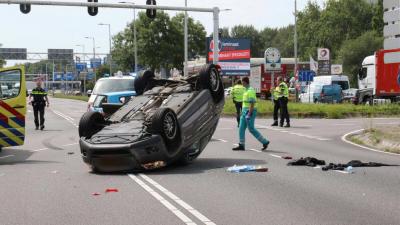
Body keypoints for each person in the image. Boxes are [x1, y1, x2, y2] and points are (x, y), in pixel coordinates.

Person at [232, 77, 269, 151]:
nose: (241, 83)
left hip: (250, 111)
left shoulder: (250, 90)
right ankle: (241, 145)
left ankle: (265, 142)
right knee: (241, 128)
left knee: (251, 129)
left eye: (242, 82)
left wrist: (249, 114)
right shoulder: (245, 90)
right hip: (244, 111)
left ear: (245, 82)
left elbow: (252, 103)